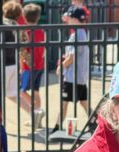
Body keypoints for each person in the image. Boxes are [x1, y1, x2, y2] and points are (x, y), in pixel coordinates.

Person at [50, 6, 89, 136]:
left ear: (74, 19)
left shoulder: (76, 35)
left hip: (72, 76)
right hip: (80, 76)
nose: (67, 20)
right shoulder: (83, 33)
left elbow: (72, 56)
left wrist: (61, 66)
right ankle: (96, 122)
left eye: (69, 17)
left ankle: (57, 127)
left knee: (64, 102)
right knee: (84, 102)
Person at [20, 3, 45, 128]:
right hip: (40, 64)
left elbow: (23, 51)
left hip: (29, 67)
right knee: (36, 91)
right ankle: (38, 113)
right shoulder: (41, 30)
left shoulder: (26, 32)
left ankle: (36, 112)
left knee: (22, 92)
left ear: (24, 16)